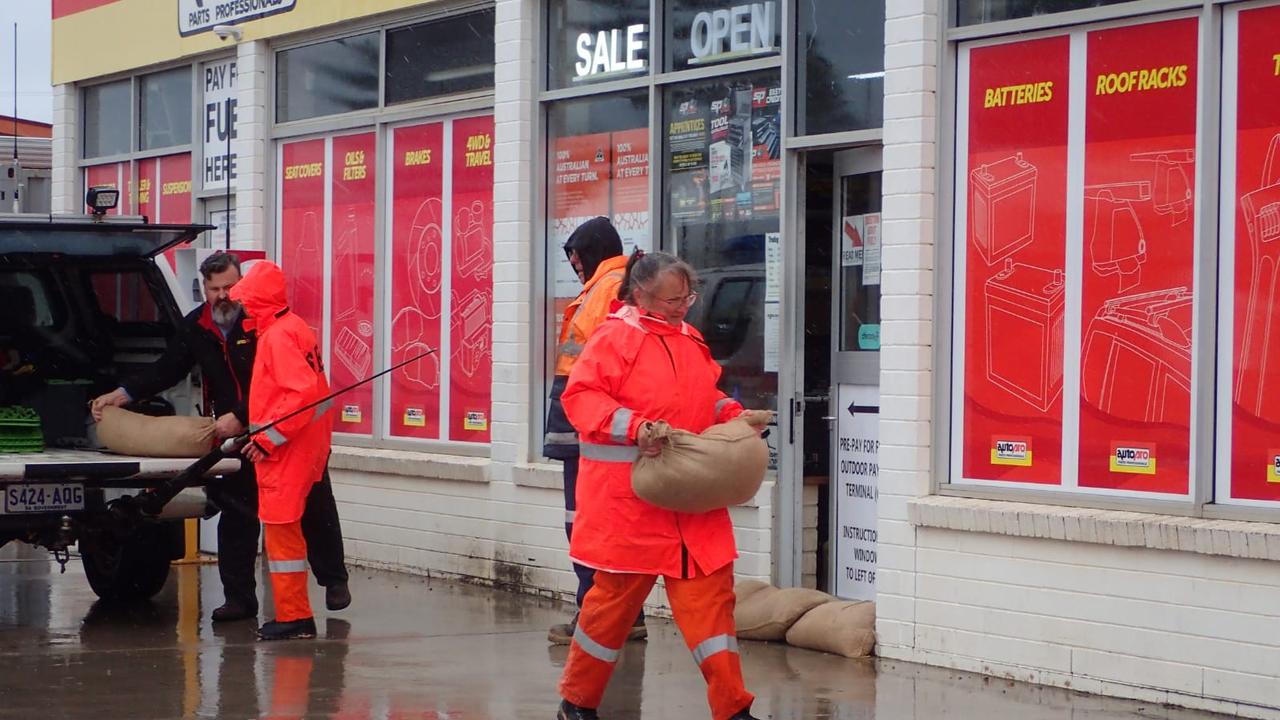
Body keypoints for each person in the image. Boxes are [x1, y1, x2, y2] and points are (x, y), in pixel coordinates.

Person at [89, 253, 351, 623]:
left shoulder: (264, 323)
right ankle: (239, 599)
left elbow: (286, 389)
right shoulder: (197, 326)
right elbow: (168, 368)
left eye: (229, 287)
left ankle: (333, 580)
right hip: (239, 439)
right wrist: (123, 394)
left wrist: (242, 417)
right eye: (214, 289)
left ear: (242, 284)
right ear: (204, 289)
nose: (223, 296)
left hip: (283, 433)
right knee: (238, 514)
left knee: (314, 506)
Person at [555, 250, 761, 720]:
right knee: (608, 613)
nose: (682, 306)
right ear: (641, 294)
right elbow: (581, 397)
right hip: (631, 506)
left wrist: (732, 414)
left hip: (690, 500)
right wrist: (636, 428)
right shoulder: (613, 337)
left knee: (712, 611)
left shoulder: (689, 339)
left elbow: (700, 398)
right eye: (672, 299)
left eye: (687, 296)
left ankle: (733, 709)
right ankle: (577, 702)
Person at [229, 260, 347, 641]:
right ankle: (296, 616)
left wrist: (266, 439)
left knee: (283, 535)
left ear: (259, 299)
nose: (242, 307)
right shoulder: (295, 329)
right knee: (291, 532)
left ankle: (294, 618)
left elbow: (300, 397)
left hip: (287, 452)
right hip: (306, 448)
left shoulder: (277, 337)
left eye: (246, 299)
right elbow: (313, 396)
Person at [544, 217, 645, 645]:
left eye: (576, 253)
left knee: (586, 521)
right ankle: (620, 613)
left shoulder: (608, 287)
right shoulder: (613, 283)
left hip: (587, 416)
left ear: (593, 250)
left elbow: (603, 358)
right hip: (589, 413)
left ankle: (594, 612)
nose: (573, 262)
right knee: (602, 521)